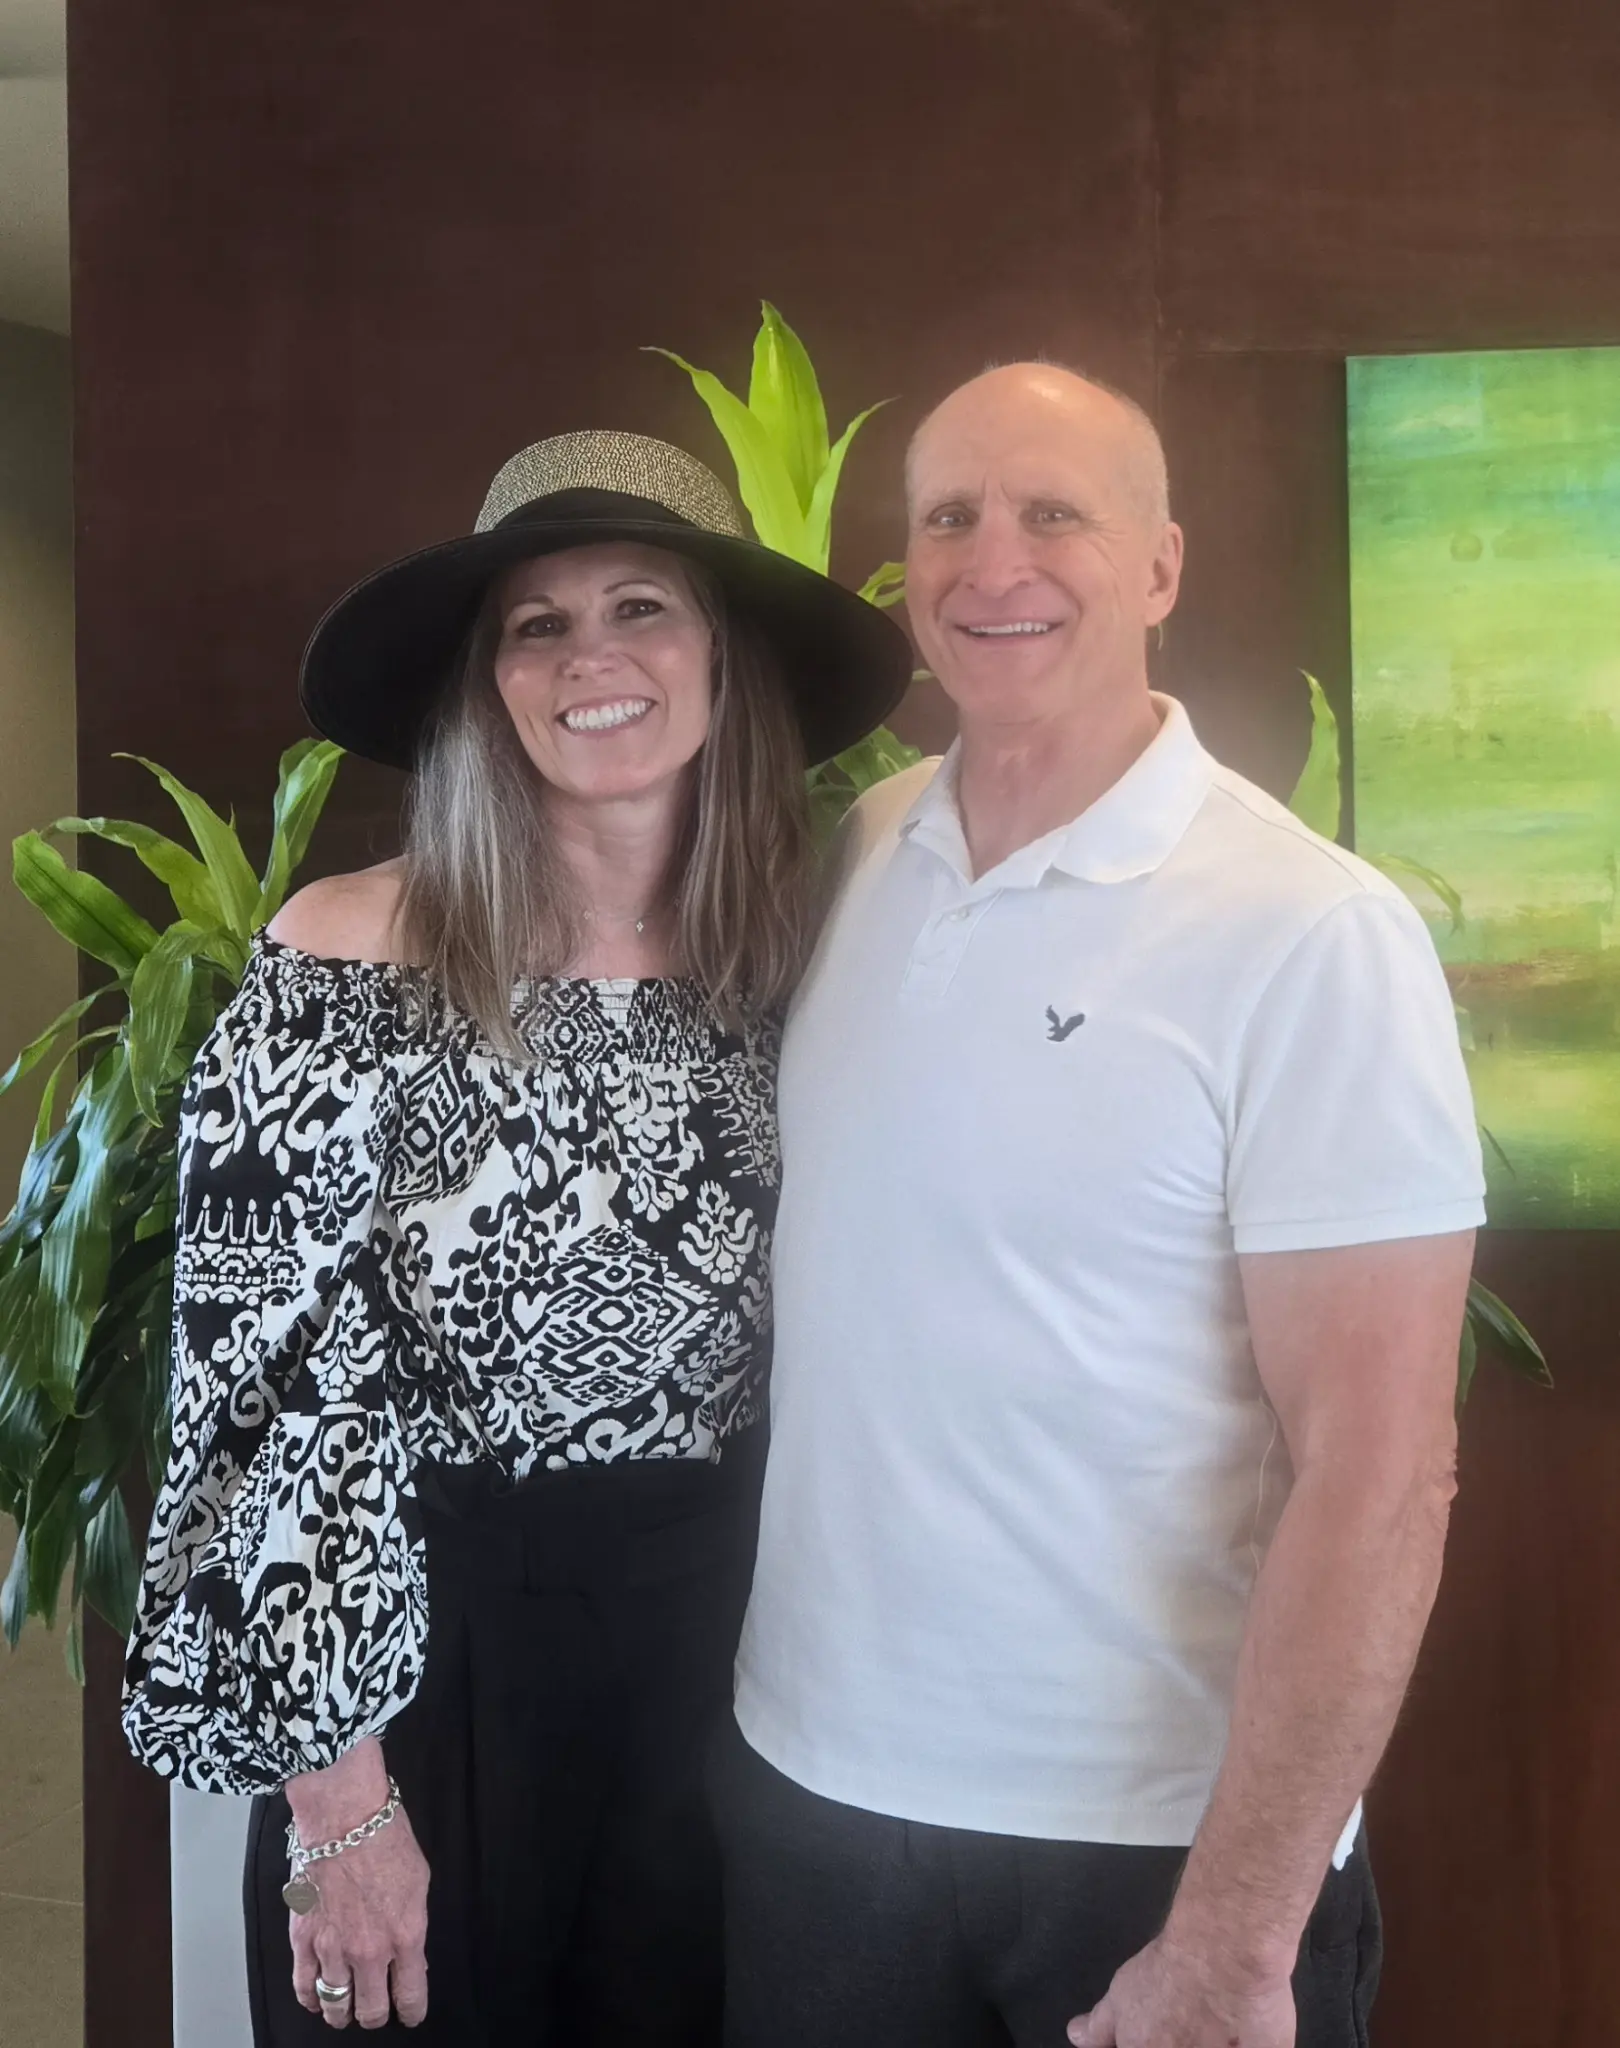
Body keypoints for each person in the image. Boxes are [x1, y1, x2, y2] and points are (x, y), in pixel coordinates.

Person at [714, 365, 1486, 2048]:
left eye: (1054, 511)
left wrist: (1235, 1936)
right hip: (815, 1800)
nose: (995, 562)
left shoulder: (1310, 933)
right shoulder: (855, 853)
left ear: (1160, 568)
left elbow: (1386, 1463)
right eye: (949, 518)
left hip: (1148, 1847)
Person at [121, 429, 911, 2044]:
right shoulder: (348, 955)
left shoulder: (820, 951)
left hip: (753, 1661)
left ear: (723, 657)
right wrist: (343, 1809)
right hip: (434, 1661)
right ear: (487, 685)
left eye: (643, 606)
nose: (591, 658)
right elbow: (266, 1406)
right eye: (535, 625)